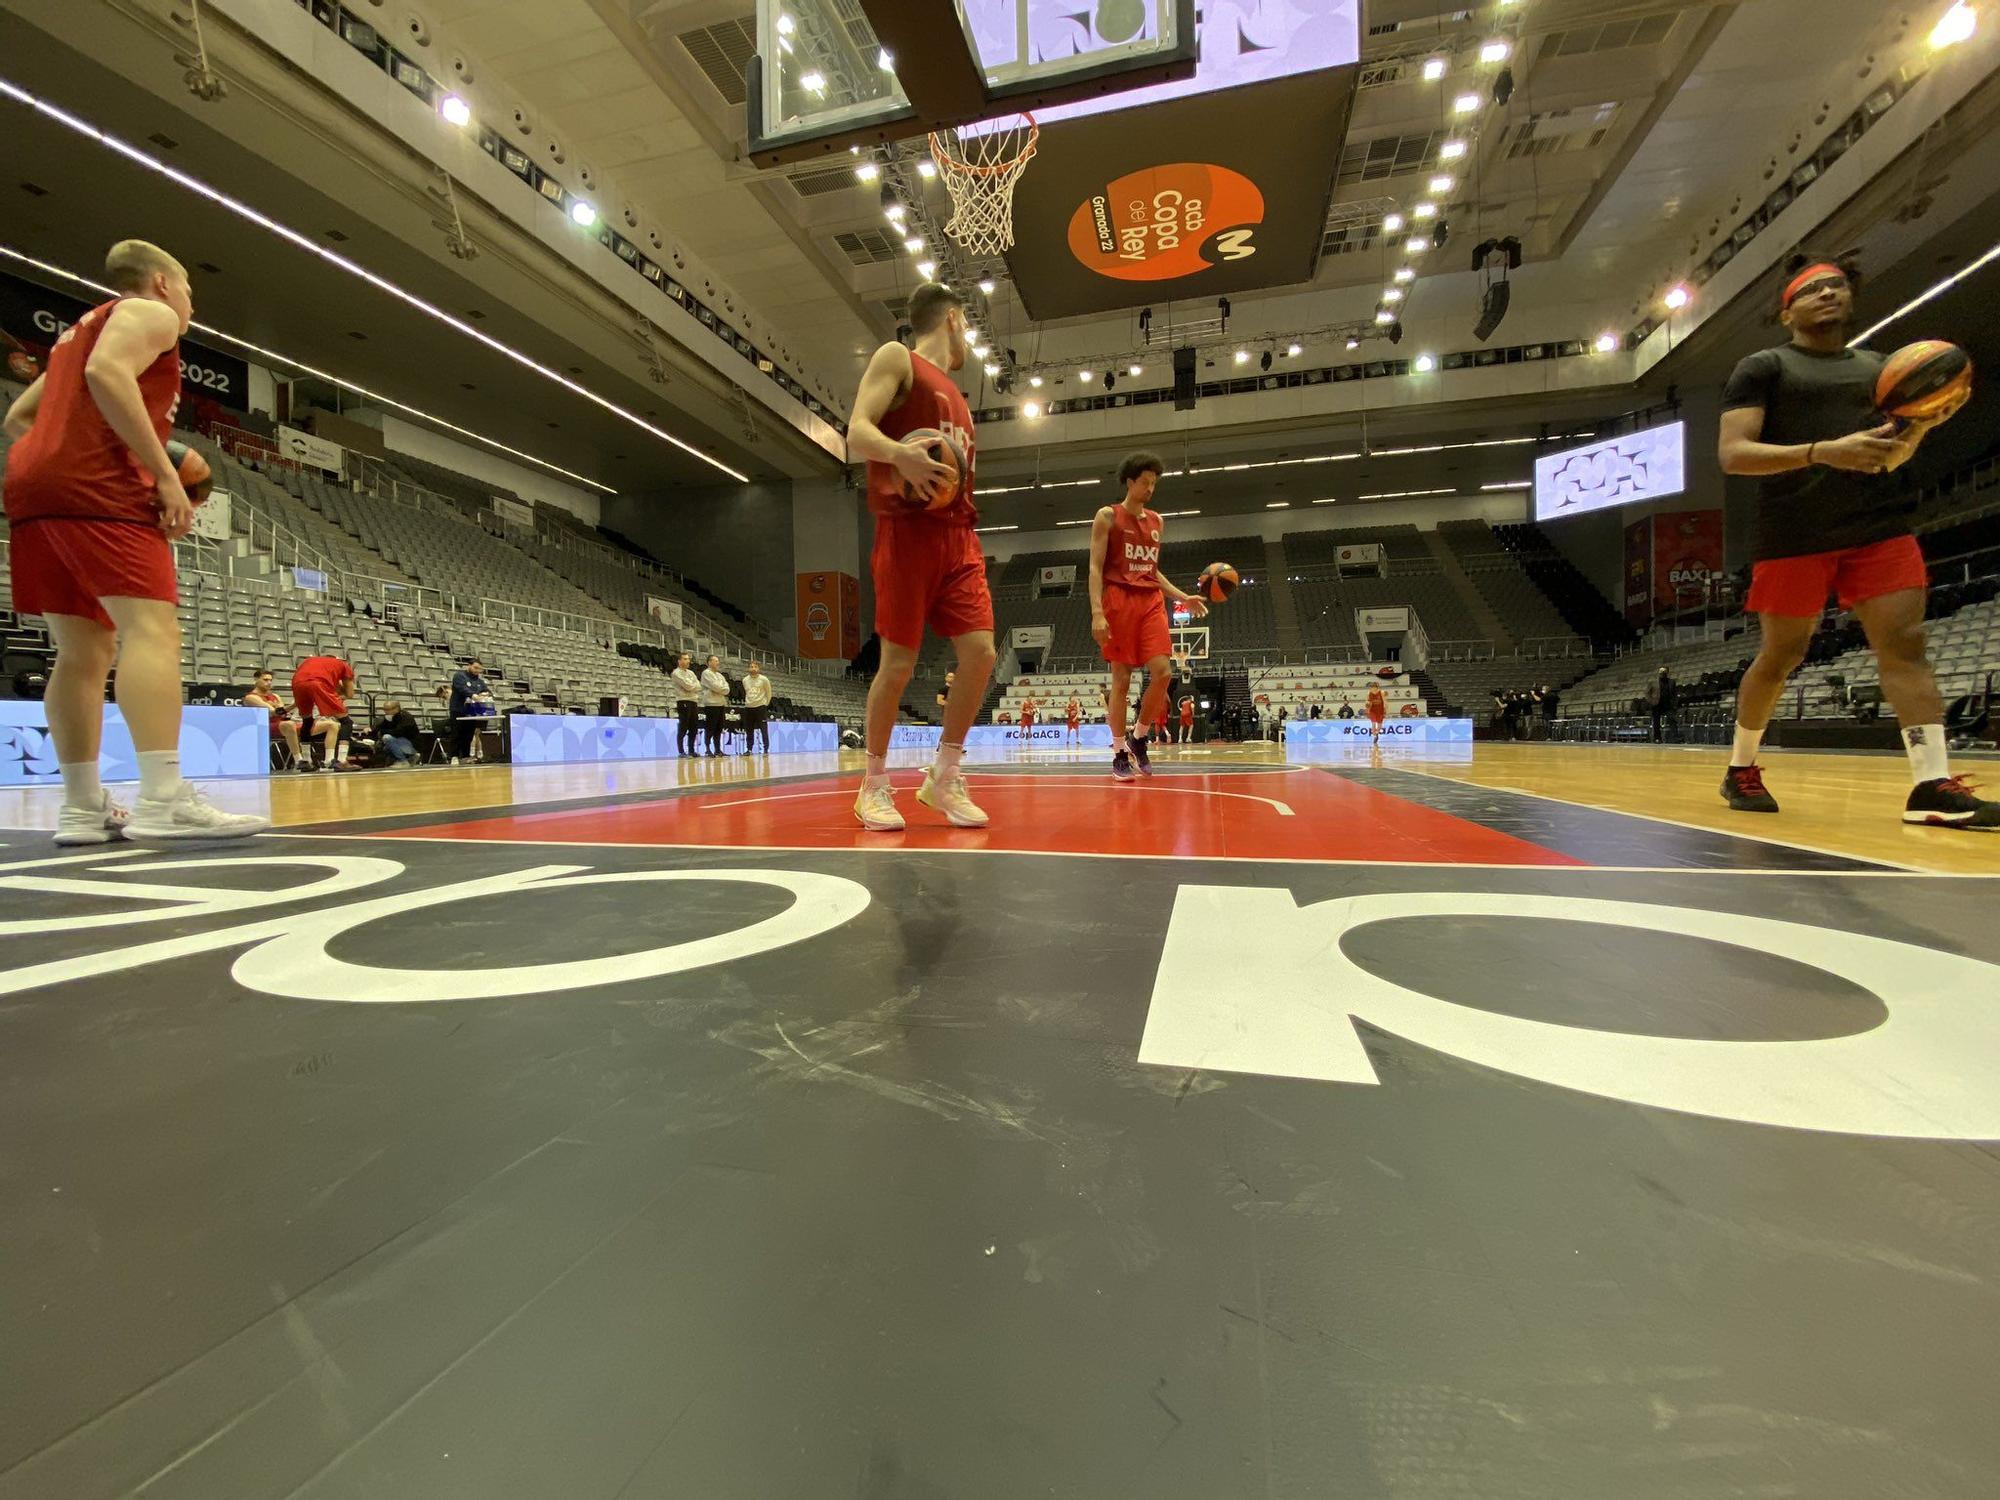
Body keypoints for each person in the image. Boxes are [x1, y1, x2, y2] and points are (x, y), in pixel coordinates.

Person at [1, 239, 265, 842]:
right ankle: (164, 797)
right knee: (152, 630)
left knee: (82, 653)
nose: (190, 305)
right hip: (99, 485)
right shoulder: (152, 313)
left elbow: (18, 419)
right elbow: (107, 373)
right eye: (190, 291)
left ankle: (82, 806)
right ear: (164, 283)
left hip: (35, 487)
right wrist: (165, 473)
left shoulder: (79, 332)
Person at [1717, 249, 1992, 827]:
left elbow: (1894, 453)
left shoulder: (1882, 371)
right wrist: (1822, 452)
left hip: (1878, 526)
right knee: (1782, 654)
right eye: (1813, 290)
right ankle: (1741, 766)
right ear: (1787, 311)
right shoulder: (1765, 367)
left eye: (1837, 286)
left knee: (1906, 646)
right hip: (1794, 531)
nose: (1828, 294)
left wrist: (1919, 429)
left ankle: (1931, 785)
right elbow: (1734, 455)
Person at [846, 280, 996, 830]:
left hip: (958, 535)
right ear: (953, 318)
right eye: (966, 324)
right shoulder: (897, 358)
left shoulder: (959, 399)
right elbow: (856, 431)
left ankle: (944, 775)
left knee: (980, 654)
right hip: (906, 533)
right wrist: (898, 458)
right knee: (899, 665)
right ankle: (873, 785)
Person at [1089, 451, 1207, 781]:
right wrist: (1097, 611)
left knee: (1163, 672)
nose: (1150, 489)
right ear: (1130, 482)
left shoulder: (1157, 521)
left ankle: (1138, 738)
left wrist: (1182, 596)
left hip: (1150, 601)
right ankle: (1117, 751)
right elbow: (1095, 568)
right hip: (1118, 601)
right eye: (1145, 482)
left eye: (1154, 483)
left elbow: (1151, 572)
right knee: (1122, 682)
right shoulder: (1107, 517)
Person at [293, 652, 358, 771]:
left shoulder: (309, 661)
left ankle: (306, 761)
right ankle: (342, 761)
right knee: (346, 722)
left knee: (307, 721)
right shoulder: (342, 664)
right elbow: (349, 694)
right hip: (318, 684)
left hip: (297, 683)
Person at [243, 668, 304, 770]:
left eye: (270, 680)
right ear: (256, 680)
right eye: (265, 680)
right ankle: (298, 761)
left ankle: (308, 758)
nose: (269, 682)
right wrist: (294, 705)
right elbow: (274, 712)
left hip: (277, 724)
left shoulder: (275, 696)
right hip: (262, 726)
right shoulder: (251, 697)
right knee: (288, 725)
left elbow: (282, 713)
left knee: (306, 726)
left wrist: (278, 709)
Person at [447, 657, 492, 765]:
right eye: (475, 668)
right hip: (458, 709)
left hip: (471, 711)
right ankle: (454, 756)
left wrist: (485, 694)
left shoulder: (479, 681)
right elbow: (462, 689)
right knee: (457, 733)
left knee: (468, 734)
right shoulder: (459, 676)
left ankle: (466, 756)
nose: (477, 671)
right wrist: (474, 695)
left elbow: (487, 691)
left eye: (479, 669)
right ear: (469, 666)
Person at [670, 652, 700, 756]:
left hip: (693, 701)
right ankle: (681, 751)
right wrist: (692, 687)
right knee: (683, 726)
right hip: (683, 701)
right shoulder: (676, 673)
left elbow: (699, 686)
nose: (688, 661)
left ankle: (691, 750)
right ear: (679, 661)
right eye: (685, 659)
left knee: (694, 727)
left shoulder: (691, 673)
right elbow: (687, 686)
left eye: (688, 659)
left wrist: (692, 687)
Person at [699, 653, 730, 756]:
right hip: (711, 704)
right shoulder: (706, 673)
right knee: (710, 728)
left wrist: (720, 689)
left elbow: (727, 689)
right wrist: (721, 689)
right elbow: (715, 686)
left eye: (718, 661)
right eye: (715, 661)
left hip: (721, 704)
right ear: (709, 662)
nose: (718, 663)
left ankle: (718, 749)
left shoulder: (720, 675)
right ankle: (707, 749)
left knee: (719, 728)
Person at [374, 700, 421, 766]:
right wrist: (371, 728)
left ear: (397, 708)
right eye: (384, 709)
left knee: (387, 737)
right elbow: (379, 727)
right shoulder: (389, 717)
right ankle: (412, 758)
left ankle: (403, 761)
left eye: (388, 709)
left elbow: (397, 732)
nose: (385, 711)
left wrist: (383, 730)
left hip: (410, 744)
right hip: (399, 742)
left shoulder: (406, 717)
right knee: (384, 746)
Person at [741, 659, 772, 753]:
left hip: (760, 707)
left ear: (758, 668)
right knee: (749, 730)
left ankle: (766, 748)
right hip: (749, 708)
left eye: (755, 667)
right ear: (748, 668)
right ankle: (749, 749)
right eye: (751, 666)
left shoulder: (764, 679)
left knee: (763, 729)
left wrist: (765, 704)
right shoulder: (745, 680)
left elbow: (769, 693)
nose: (753, 668)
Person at [1645, 667, 1676, 743]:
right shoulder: (1653, 682)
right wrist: (1652, 701)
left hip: (1667, 704)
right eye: (1661, 673)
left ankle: (1674, 738)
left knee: (1672, 720)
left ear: (1666, 673)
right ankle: (1657, 738)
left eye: (1664, 673)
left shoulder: (1671, 682)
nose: (1663, 674)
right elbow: (1647, 693)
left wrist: (1674, 704)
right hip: (1657, 704)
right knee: (1656, 722)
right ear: (1659, 673)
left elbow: (1674, 694)